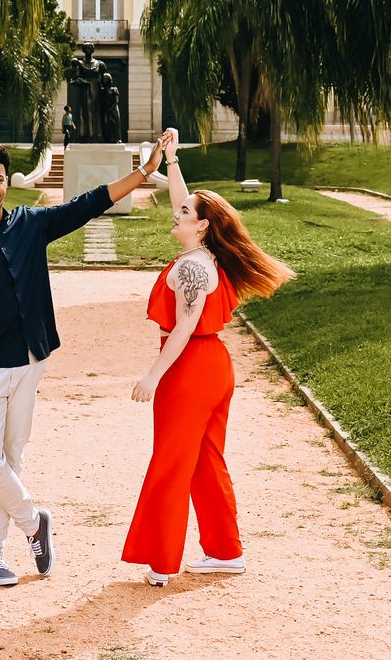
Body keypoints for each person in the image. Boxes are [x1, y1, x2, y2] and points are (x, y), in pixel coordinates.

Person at [0, 135, 170, 587]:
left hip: (30, 360)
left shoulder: (30, 224)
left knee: (10, 458)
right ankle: (32, 521)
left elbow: (88, 204)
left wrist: (143, 172)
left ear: (7, 184)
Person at [122, 128, 292, 586]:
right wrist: (172, 160)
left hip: (189, 368)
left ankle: (161, 562)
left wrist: (153, 376)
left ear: (200, 226)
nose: (173, 216)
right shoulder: (207, 254)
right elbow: (187, 202)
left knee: (172, 462)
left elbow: (183, 329)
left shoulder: (194, 268)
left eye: (184, 215)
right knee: (205, 460)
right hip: (214, 366)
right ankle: (224, 551)